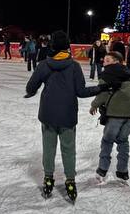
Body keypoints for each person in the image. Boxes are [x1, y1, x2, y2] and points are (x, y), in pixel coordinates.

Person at [25, 30, 98, 201]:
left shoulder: (44, 65)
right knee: (68, 149)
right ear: (67, 46)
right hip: (67, 114)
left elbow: (30, 87)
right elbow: (81, 92)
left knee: (48, 148)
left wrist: (33, 90)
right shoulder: (74, 66)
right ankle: (70, 180)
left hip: (48, 114)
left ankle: (48, 178)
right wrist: (101, 88)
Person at [90, 53, 130, 183]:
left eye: (107, 60)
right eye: (104, 59)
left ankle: (102, 170)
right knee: (123, 141)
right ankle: (122, 172)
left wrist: (94, 105)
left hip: (115, 114)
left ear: (116, 62)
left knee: (107, 141)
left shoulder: (108, 74)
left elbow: (102, 93)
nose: (104, 62)